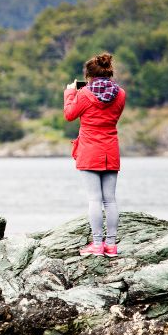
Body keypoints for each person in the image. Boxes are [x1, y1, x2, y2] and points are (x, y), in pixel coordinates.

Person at [64, 52, 126, 257]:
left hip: (90, 151)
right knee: (110, 200)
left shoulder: (83, 94)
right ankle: (112, 245)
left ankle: (97, 244)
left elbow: (70, 115)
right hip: (110, 150)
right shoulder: (121, 94)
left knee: (94, 199)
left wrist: (70, 93)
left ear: (88, 76)